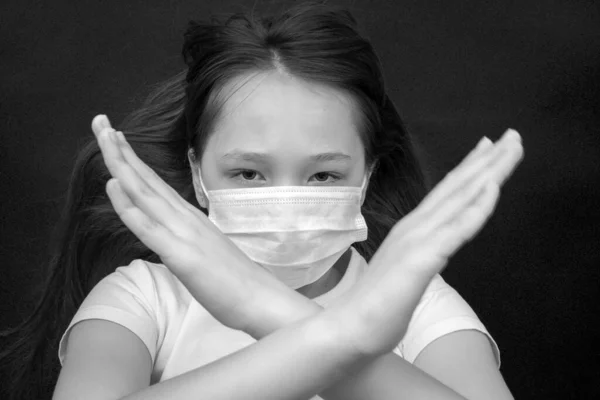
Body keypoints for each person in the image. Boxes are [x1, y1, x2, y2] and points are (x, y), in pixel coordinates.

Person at [0, 1, 523, 399]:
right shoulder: (141, 299)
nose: (284, 200)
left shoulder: (421, 303)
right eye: (248, 172)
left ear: (367, 175)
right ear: (197, 173)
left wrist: (260, 308)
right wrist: (348, 336)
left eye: (322, 175)